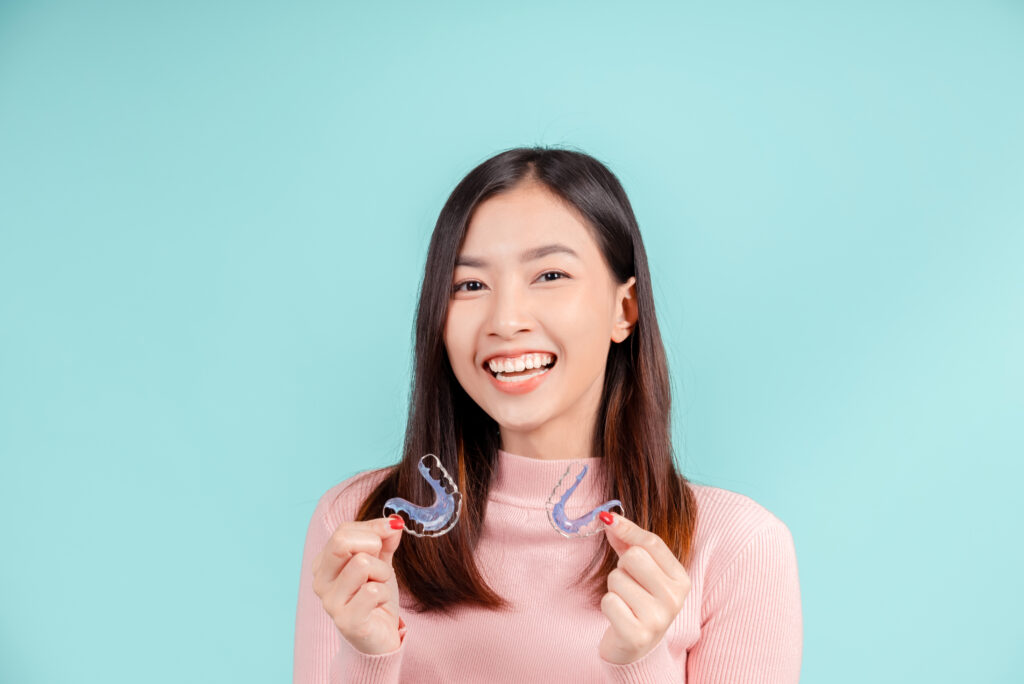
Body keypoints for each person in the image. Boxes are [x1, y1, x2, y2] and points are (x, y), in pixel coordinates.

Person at [293, 147, 803, 683]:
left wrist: (639, 665)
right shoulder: (357, 528)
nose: (506, 319)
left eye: (550, 275)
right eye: (469, 285)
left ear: (623, 310)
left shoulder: (736, 545)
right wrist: (368, 659)